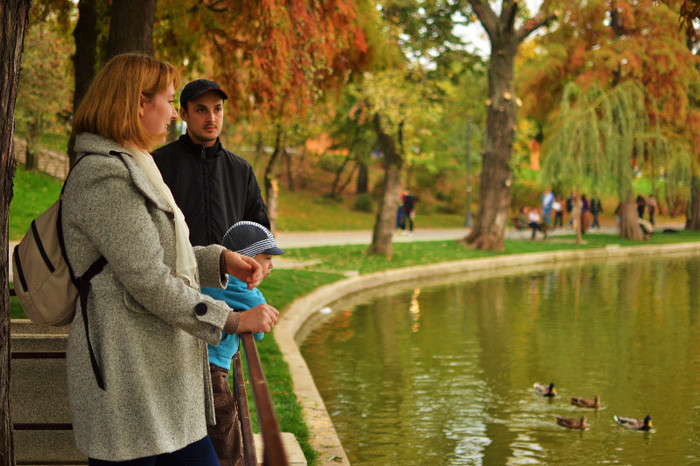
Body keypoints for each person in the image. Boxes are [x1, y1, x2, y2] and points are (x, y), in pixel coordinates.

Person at [62, 53, 279, 464]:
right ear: (138, 103)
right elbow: (148, 280)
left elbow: (159, 255)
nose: (172, 111)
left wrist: (221, 260)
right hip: (128, 378)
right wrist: (232, 320)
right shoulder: (105, 175)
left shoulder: (135, 165)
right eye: (166, 98)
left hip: (161, 375)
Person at [201, 221, 284, 465]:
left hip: (197, 364)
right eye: (267, 257)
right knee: (229, 440)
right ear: (247, 259)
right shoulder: (245, 291)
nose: (271, 265)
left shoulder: (213, 278)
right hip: (214, 373)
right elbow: (259, 332)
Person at [153, 79, 270, 247]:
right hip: (176, 271)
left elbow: (259, 230)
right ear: (184, 114)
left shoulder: (240, 170)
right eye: (201, 110)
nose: (211, 118)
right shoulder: (158, 164)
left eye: (217, 109)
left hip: (229, 272)